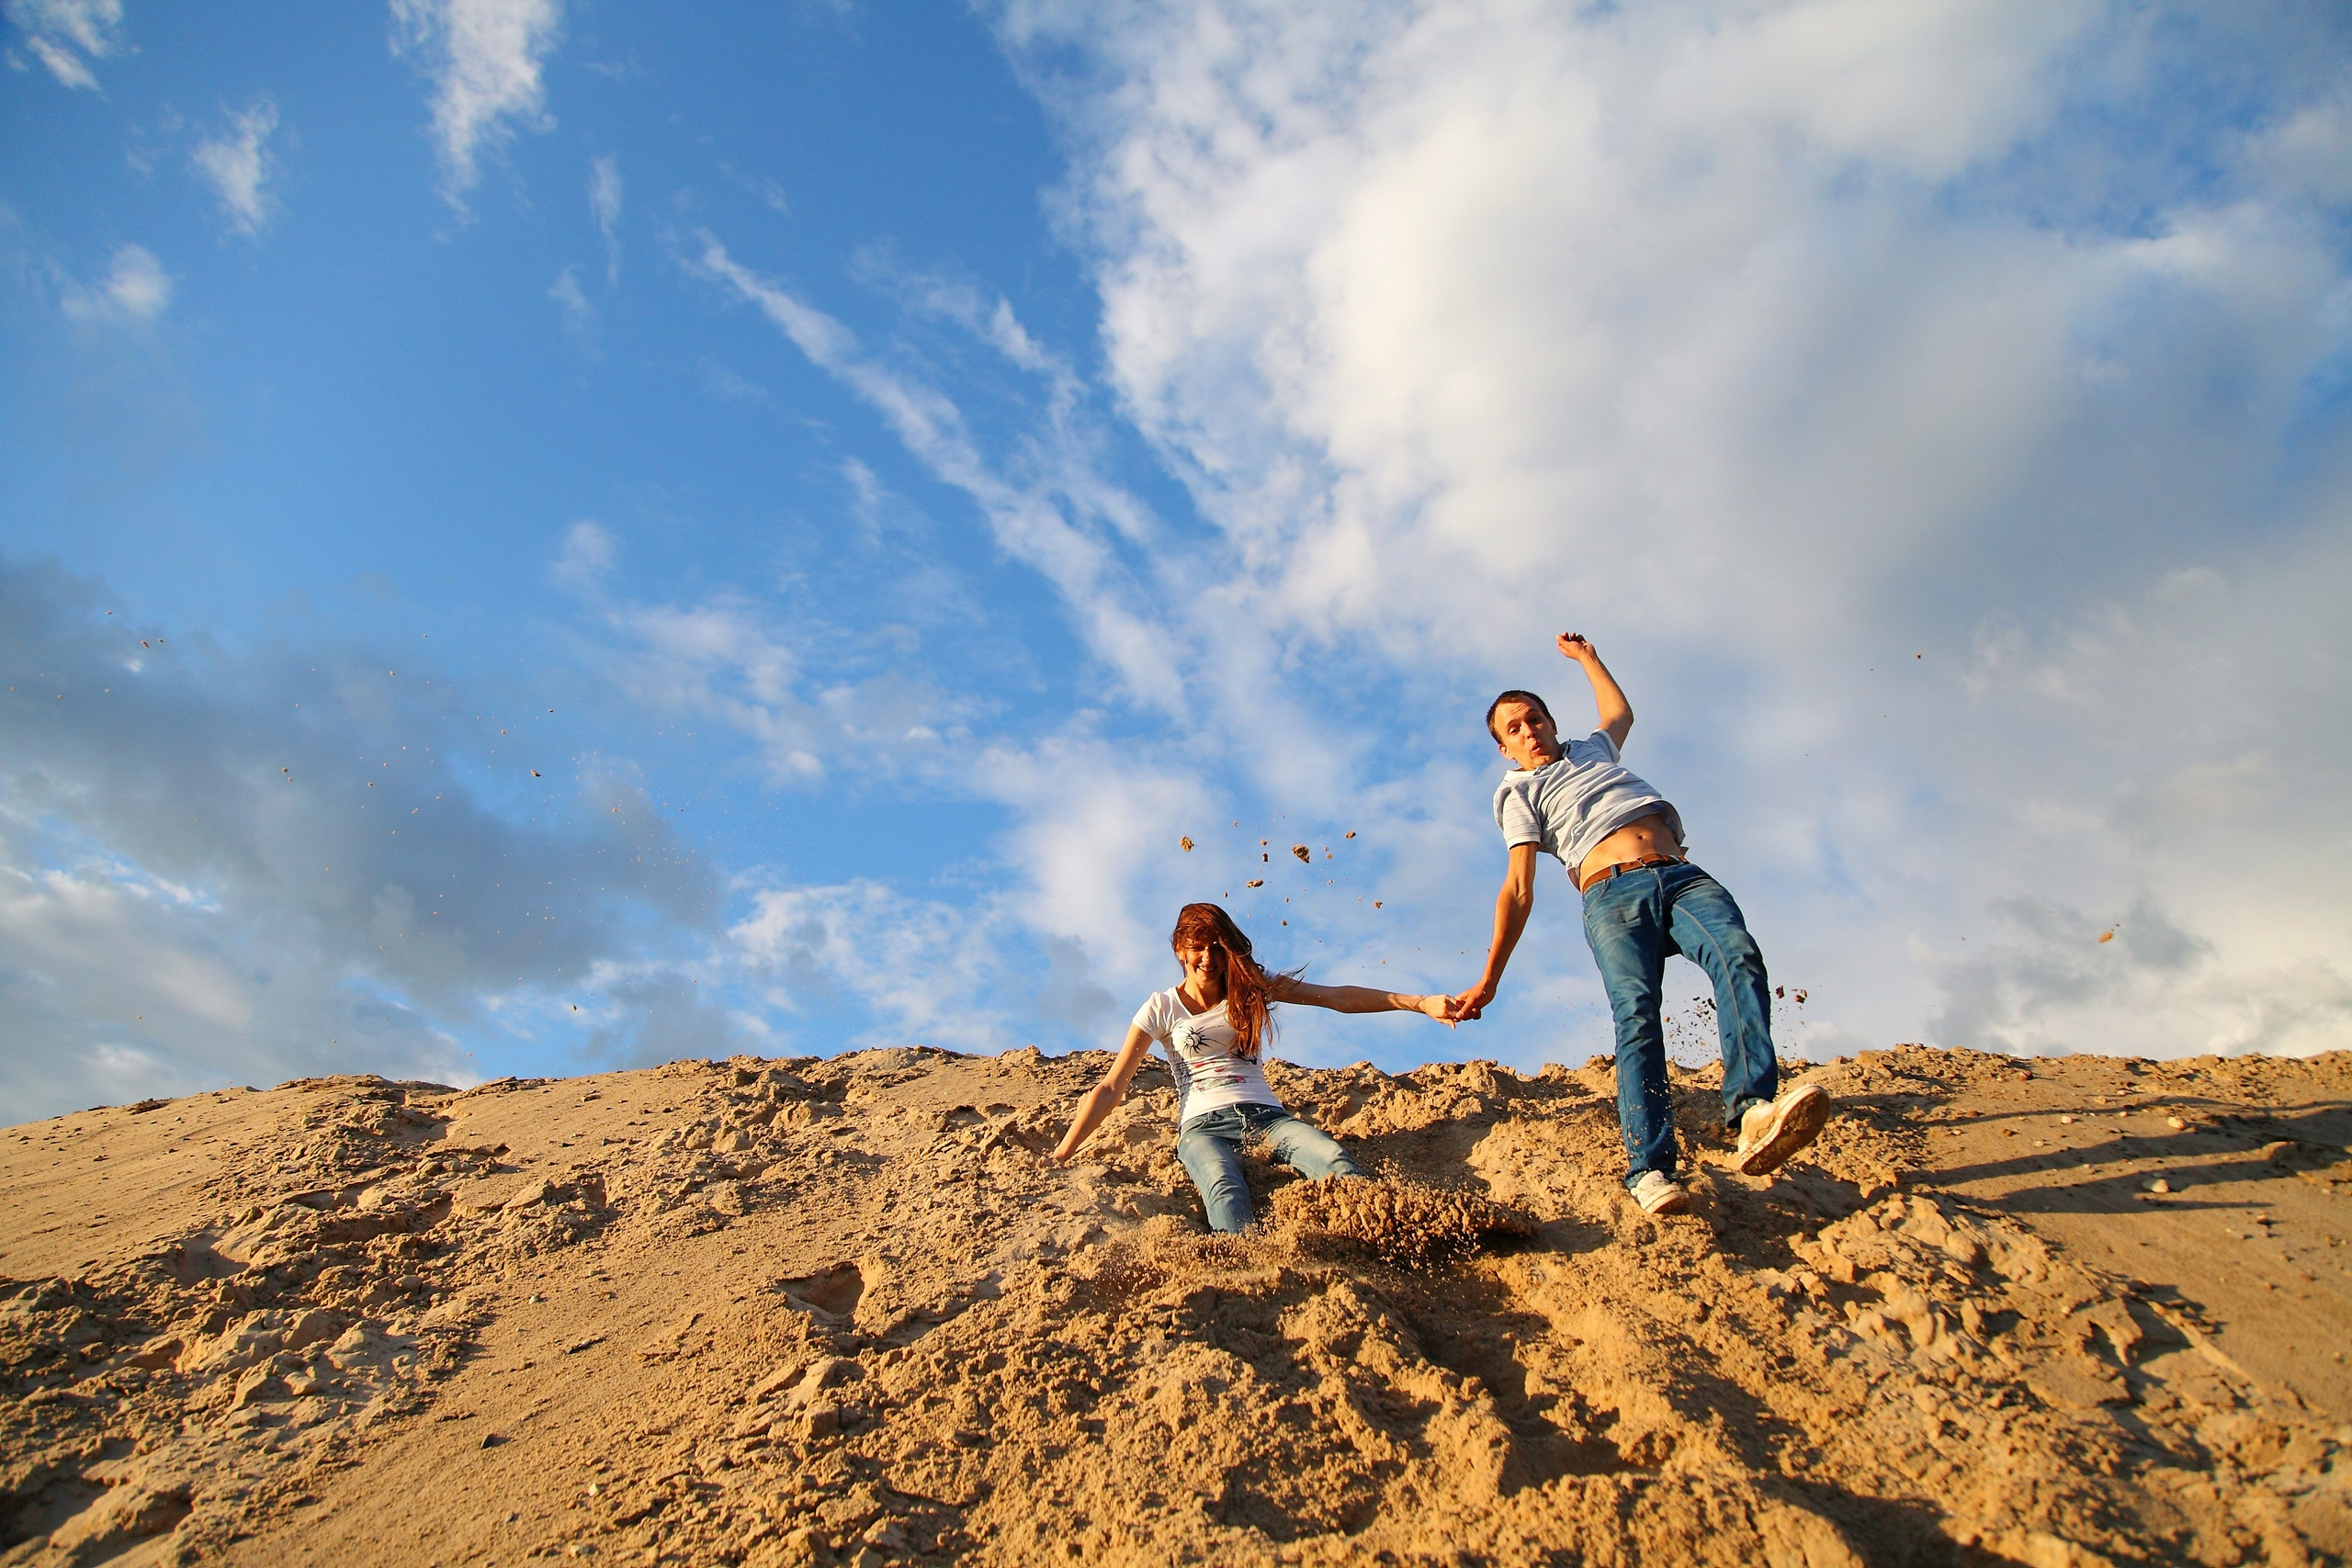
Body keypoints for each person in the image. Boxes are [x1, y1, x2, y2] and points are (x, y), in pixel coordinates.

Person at [1451, 634, 1830, 1215]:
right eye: (1514, 730)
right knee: (1637, 1017)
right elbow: (1519, 886)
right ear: (1505, 748)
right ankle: (1650, 1169)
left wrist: (1586, 660)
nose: (1529, 732)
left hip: (1683, 877)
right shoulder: (1518, 791)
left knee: (1738, 956)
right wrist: (1490, 977)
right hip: (1612, 895)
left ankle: (1753, 1110)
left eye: (1535, 719)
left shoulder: (1593, 753)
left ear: (1552, 722)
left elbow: (1619, 713)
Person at [1051, 902, 1458, 1234]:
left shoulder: (1250, 984)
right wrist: (1064, 1151)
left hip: (1265, 1117)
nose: (1207, 958)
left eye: (1216, 947)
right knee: (1226, 1191)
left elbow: (1335, 997)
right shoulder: (1161, 1007)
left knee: (1335, 1160)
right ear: (1180, 950)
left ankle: (1384, 1236)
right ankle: (1247, 1271)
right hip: (1202, 1127)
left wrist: (1419, 1002)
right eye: (1197, 947)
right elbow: (1111, 1087)